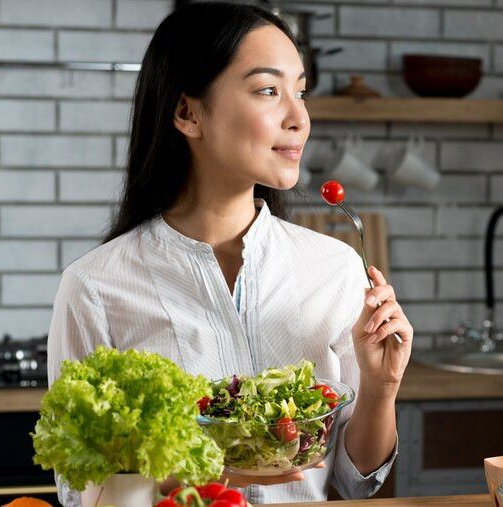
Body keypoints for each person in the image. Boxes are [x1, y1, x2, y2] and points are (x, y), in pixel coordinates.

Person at [46, 2, 413, 505]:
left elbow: (354, 482)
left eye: (300, 92)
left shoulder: (334, 268)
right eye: (268, 90)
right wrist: (213, 467)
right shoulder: (95, 286)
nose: (298, 118)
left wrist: (380, 387)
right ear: (188, 113)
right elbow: (79, 490)